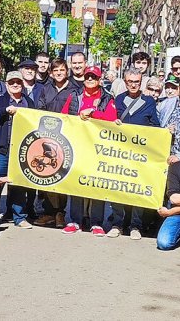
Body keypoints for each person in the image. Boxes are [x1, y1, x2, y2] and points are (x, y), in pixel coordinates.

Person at [60, 66, 117, 236]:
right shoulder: (74, 96)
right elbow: (64, 117)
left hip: (99, 149)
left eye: (94, 77)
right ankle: (75, 221)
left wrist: (94, 113)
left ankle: (96, 222)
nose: (90, 79)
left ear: (100, 80)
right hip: (77, 146)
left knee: (97, 184)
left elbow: (112, 120)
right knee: (76, 184)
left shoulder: (108, 98)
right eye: (87, 77)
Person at [110, 67, 160, 239]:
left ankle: (135, 226)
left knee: (137, 188)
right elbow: (109, 121)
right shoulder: (118, 99)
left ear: (141, 82)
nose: (133, 85)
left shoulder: (149, 102)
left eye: (136, 82)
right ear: (125, 82)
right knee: (118, 188)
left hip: (140, 155)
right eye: (130, 82)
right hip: (120, 154)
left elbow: (155, 126)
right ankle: (117, 223)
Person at [0, 71, 34, 228]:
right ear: (6, 84)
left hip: (21, 151)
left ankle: (19, 217)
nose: (15, 85)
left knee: (19, 185)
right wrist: (3, 110)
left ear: (22, 84)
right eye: (11, 82)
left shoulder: (29, 102)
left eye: (18, 82)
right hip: (1, 150)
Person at [33, 58, 75, 227]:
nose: (58, 73)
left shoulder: (74, 90)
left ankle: (60, 213)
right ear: (51, 73)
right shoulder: (45, 89)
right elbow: (39, 110)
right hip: (47, 137)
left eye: (62, 70)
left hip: (65, 139)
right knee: (45, 175)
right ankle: (47, 213)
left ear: (67, 72)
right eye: (55, 70)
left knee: (61, 176)